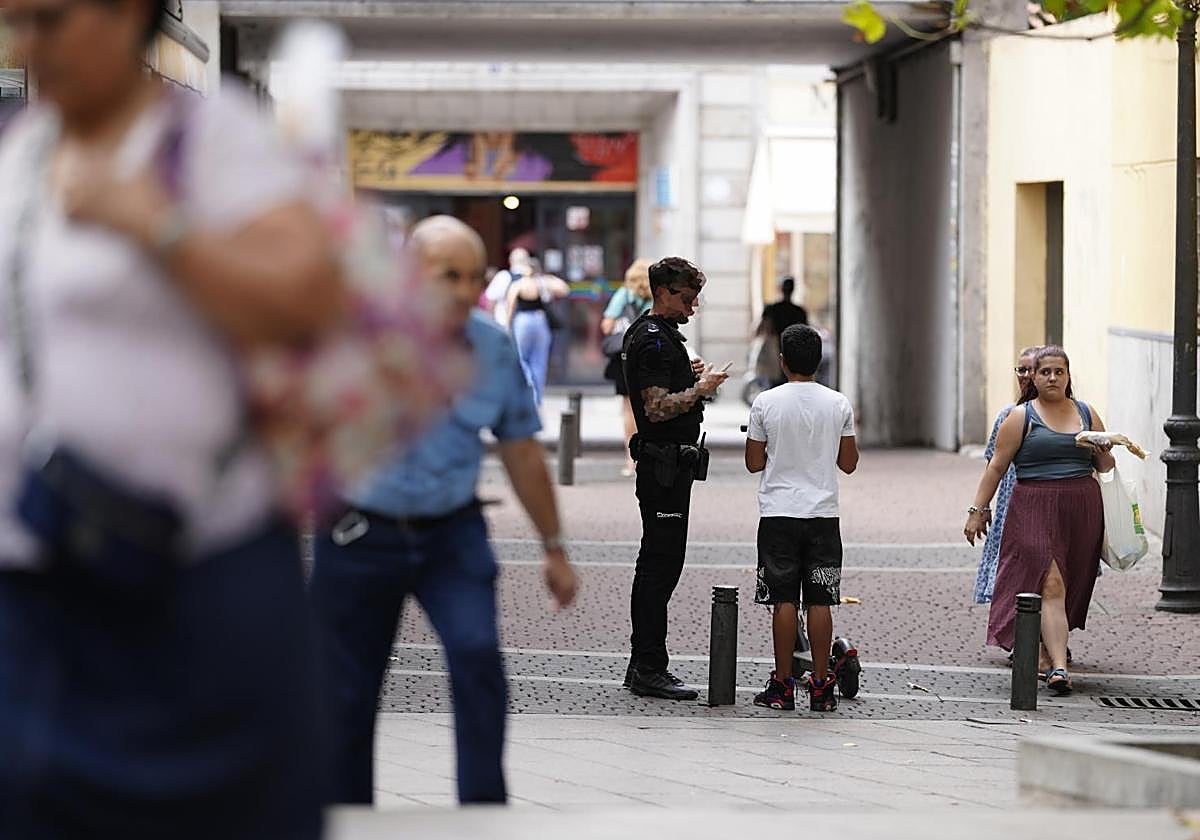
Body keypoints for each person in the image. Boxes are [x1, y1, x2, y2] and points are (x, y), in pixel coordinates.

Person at [0, 1, 342, 836]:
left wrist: (149, 220)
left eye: (49, 20)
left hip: (193, 572)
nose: (28, 46)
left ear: (125, 13)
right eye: (15, 23)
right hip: (39, 579)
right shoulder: (23, 147)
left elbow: (310, 295)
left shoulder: (209, 135)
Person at [310, 215, 578, 807]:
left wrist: (554, 547)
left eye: (473, 277)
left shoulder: (493, 346)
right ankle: (346, 819)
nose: (462, 290)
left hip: (451, 537)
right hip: (359, 534)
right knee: (346, 693)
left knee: (478, 658)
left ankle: (482, 815)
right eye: (446, 276)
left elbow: (522, 451)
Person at [964, 346, 1114, 695]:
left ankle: (1049, 651)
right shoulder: (1020, 417)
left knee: (1071, 584)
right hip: (1033, 504)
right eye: (1044, 372)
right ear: (1034, 376)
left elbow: (1106, 468)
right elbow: (997, 467)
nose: (1051, 378)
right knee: (1052, 583)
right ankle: (1059, 667)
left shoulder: (1087, 413)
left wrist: (1103, 449)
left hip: (1081, 509)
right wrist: (976, 511)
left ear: (1068, 376)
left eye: (1058, 372)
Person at [621, 256, 728, 701]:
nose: (694, 306)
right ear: (662, 292)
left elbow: (662, 392)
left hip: (668, 465)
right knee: (660, 565)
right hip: (663, 466)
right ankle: (649, 665)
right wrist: (699, 391)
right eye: (687, 298)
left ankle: (643, 663)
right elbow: (656, 408)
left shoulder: (658, 337)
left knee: (659, 563)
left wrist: (691, 377)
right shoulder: (652, 340)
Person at [745, 325, 858, 712]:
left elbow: (753, 462)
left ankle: (783, 685)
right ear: (818, 360)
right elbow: (849, 463)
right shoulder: (839, 404)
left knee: (783, 600)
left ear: (782, 361)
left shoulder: (765, 403)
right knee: (821, 600)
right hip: (823, 514)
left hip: (778, 514)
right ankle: (823, 686)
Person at [973, 346, 1041, 605]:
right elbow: (993, 465)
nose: (1025, 375)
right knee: (1011, 578)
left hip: (1041, 504)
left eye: (1031, 370)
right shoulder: (1007, 415)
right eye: (1020, 369)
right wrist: (982, 507)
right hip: (1009, 507)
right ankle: (1021, 641)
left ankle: (1043, 641)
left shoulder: (1062, 416)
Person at [601, 258, 653, 477]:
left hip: (625, 359)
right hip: (650, 358)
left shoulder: (623, 295)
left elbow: (606, 326)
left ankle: (632, 460)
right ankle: (650, 457)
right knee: (650, 409)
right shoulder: (656, 297)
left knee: (628, 410)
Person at [505, 257, 570, 405]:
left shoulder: (518, 284)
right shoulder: (542, 283)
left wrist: (507, 327)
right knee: (539, 361)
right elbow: (564, 288)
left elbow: (510, 306)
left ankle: (529, 388)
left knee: (522, 358)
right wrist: (546, 278)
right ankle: (537, 397)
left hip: (523, 321)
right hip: (540, 322)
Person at [756, 276, 809, 387]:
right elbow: (806, 333)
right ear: (793, 289)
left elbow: (758, 330)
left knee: (774, 386)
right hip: (794, 353)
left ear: (781, 289)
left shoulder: (772, 309)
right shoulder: (799, 311)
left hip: (774, 353)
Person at [483, 246, 530, 325]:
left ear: (510, 261)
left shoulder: (503, 276)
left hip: (504, 324)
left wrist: (489, 323)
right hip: (526, 325)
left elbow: (491, 299)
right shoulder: (533, 279)